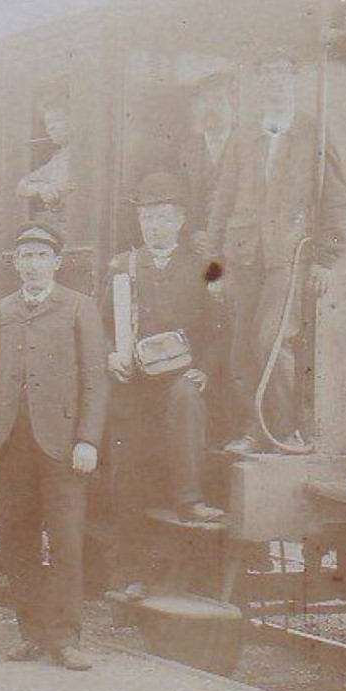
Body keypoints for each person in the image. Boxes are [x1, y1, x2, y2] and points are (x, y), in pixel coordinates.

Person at [0, 221, 109, 670]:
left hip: (63, 444)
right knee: (17, 537)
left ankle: (66, 638)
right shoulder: (3, 309)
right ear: (15, 264)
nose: (32, 265)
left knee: (67, 541)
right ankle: (30, 632)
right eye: (25, 257)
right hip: (13, 442)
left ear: (56, 263)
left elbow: (95, 378)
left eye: (40, 257)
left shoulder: (78, 308)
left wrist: (88, 438)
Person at [203, 49, 346, 454]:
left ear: (294, 81)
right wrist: (213, 270)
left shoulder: (313, 134)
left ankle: (283, 430)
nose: (274, 81)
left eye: (282, 73)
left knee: (271, 341)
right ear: (258, 83)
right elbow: (222, 201)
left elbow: (336, 200)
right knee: (241, 347)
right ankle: (253, 430)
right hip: (241, 257)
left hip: (290, 256)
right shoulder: (244, 135)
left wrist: (326, 259)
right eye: (267, 72)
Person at [101, 173, 227, 598]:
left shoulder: (201, 268)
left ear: (179, 221)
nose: (153, 227)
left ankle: (189, 498)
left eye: (161, 218)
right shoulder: (123, 266)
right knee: (128, 468)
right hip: (133, 382)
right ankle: (130, 572)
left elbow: (219, 329)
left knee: (188, 397)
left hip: (178, 376)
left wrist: (205, 368)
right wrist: (110, 355)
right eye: (146, 218)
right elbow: (99, 326)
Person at [176, 72, 237, 233]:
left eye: (218, 100)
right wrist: (192, 233)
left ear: (233, 106)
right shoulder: (187, 150)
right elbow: (181, 201)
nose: (210, 107)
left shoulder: (247, 146)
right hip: (198, 243)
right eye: (204, 101)